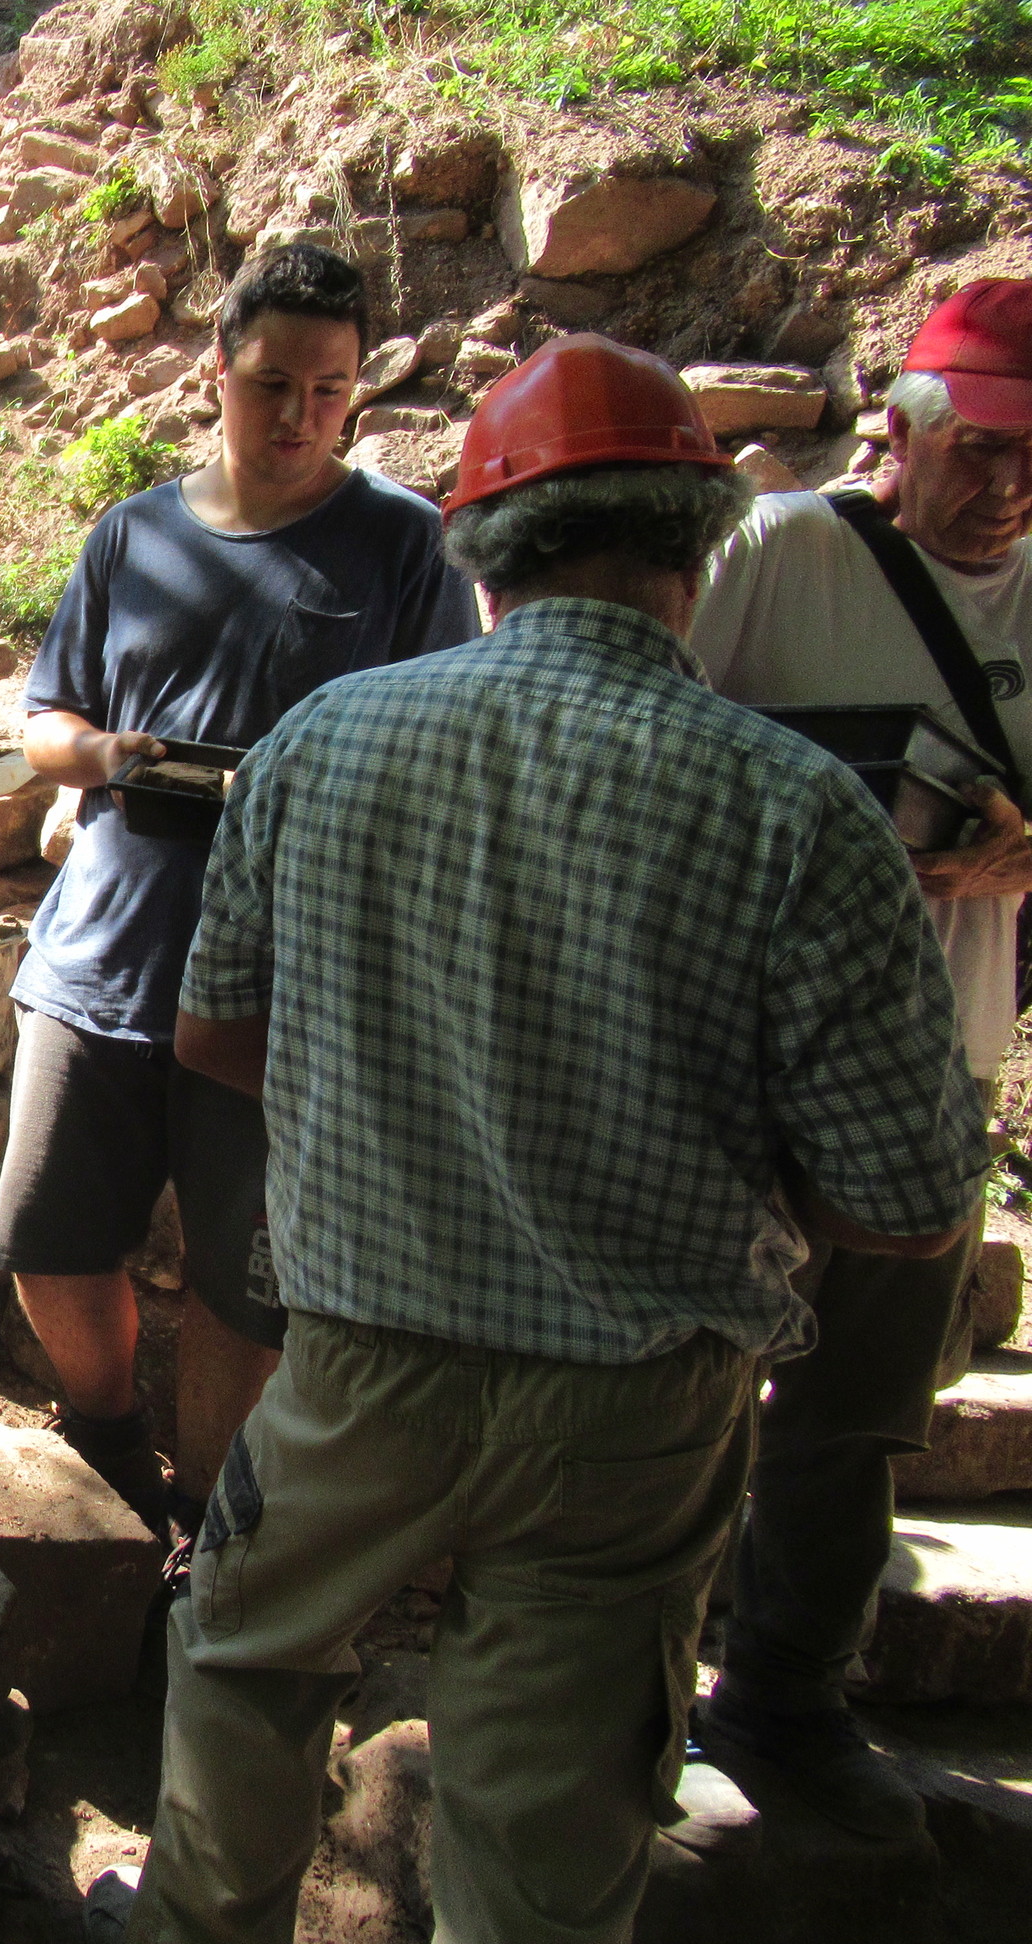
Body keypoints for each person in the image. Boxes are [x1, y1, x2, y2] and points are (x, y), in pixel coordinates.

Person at [110, 334, 985, 1944]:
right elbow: (914, 1208)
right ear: (698, 549)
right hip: (632, 1415)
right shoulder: (800, 809)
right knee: (550, 1828)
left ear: (480, 552)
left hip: (356, 1364)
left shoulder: (320, 746)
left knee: (243, 1671)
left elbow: (215, 1037)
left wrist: (395, 1085)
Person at [0, 242, 479, 1538]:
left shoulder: (406, 547)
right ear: (217, 370)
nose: (301, 416)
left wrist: (319, 788)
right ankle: (109, 1448)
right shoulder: (132, 533)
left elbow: (444, 753)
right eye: (273, 384)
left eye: (331, 390)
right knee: (46, 1233)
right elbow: (45, 722)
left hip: (287, 990)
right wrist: (107, 755)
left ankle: (206, 1531)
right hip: (102, 954)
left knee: (242, 1292)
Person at [684, 278, 1032, 1841]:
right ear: (903, 430)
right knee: (681, 1378)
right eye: (983, 450)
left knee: (861, 1404)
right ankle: (621, 1689)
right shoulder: (782, 554)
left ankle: (787, 1698)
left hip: (941, 1058)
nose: (1009, 486)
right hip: (740, 1059)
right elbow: (658, 742)